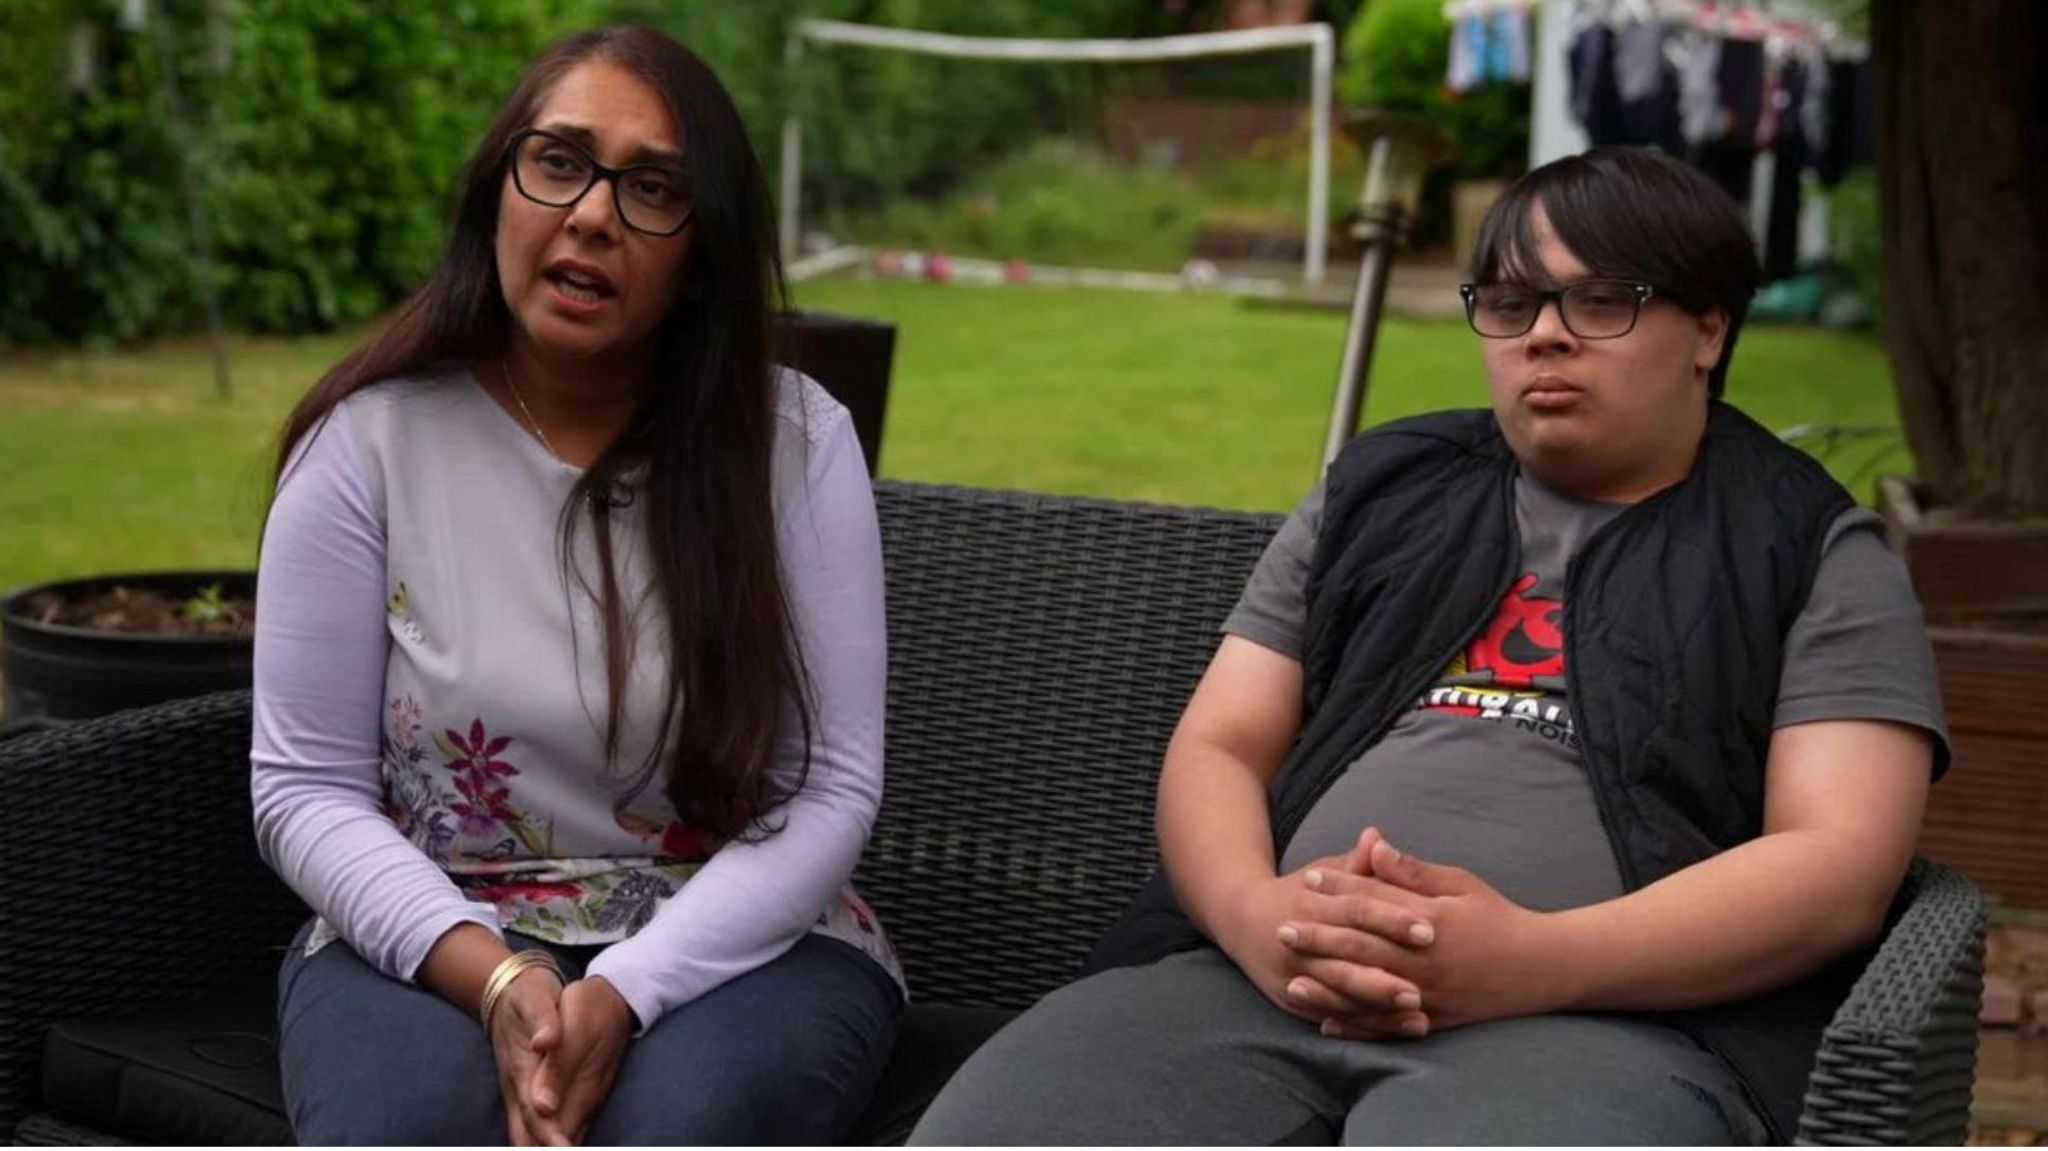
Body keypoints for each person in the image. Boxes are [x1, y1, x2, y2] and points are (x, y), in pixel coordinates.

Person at [910, 146, 1948, 1145]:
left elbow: (1836, 865)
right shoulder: (1383, 490)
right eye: (1507, 303)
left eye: (1597, 300)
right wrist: (1251, 916)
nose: (1542, 335)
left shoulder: (1801, 544)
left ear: (1706, 330)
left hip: (1607, 1027)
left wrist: (1532, 958)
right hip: (1247, 986)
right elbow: (1221, 742)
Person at [251, 26, 900, 1145]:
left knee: (671, 1125)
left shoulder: (792, 442)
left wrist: (624, 988)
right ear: (495, 190)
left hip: (738, 939)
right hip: (428, 928)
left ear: (703, 247)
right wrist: (498, 978)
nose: (593, 214)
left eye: (653, 188)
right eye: (557, 162)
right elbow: (302, 785)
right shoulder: (366, 446)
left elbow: (829, 786)